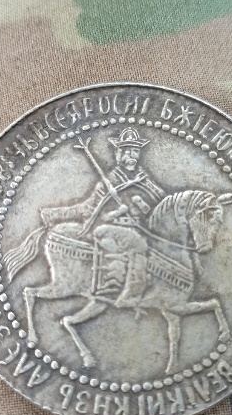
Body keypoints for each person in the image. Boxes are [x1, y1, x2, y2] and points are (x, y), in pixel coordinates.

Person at [40, 127, 165, 308]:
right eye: (127, 151)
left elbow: (162, 200)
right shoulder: (109, 182)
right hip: (113, 230)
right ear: (118, 154)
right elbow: (93, 211)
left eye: (135, 151)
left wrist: (144, 206)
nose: (132, 156)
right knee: (137, 244)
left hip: (142, 228)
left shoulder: (144, 179)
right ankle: (115, 285)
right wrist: (118, 212)